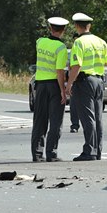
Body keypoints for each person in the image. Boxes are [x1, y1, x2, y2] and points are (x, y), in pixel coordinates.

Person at [65, 13, 107, 161]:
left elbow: (76, 65)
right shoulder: (100, 41)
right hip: (99, 80)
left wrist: (69, 84)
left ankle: (89, 151)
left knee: (87, 118)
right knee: (98, 118)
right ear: (89, 26)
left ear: (77, 26)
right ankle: (98, 150)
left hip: (84, 81)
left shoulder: (79, 42)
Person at [30, 17, 69, 162]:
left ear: (50, 28)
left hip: (40, 85)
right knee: (55, 121)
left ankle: (37, 154)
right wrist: (62, 91)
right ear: (63, 30)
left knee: (39, 120)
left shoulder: (40, 42)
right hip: (54, 85)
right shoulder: (61, 48)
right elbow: (59, 72)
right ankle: (51, 154)